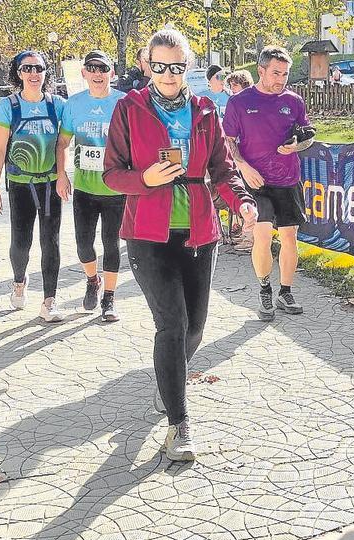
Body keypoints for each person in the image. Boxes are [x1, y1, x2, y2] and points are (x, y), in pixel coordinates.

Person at [103, 29, 258, 461]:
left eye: (176, 66)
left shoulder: (205, 110)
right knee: (171, 325)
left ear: (187, 66)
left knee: (194, 327)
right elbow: (111, 174)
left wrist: (242, 202)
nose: (169, 74)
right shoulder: (128, 109)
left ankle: (169, 378)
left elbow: (223, 170)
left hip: (199, 233)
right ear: (146, 65)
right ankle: (178, 423)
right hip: (148, 234)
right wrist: (145, 179)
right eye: (159, 66)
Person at [223, 46, 315, 321]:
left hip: (288, 179)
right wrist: (243, 166)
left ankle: (285, 291)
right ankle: (264, 288)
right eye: (275, 73)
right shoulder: (239, 102)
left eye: (285, 74)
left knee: (290, 237)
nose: (281, 79)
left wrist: (298, 145)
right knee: (262, 234)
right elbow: (228, 142)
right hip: (256, 180)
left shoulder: (294, 101)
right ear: (260, 71)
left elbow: (307, 134)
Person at [0, 50, 67, 322]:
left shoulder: (58, 105)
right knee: (21, 243)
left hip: (50, 183)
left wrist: (65, 174)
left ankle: (49, 301)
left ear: (46, 72)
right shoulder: (9, 105)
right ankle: (19, 280)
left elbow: (66, 142)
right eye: (27, 69)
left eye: (38, 68)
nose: (33, 74)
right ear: (18, 73)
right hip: (20, 183)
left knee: (51, 242)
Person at [57, 50, 128, 321]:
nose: (98, 74)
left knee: (111, 244)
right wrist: (61, 174)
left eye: (103, 68)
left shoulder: (124, 102)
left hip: (115, 189)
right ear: (84, 73)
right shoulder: (73, 104)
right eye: (92, 68)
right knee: (83, 245)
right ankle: (92, 280)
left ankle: (109, 299)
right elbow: (62, 143)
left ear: (111, 73)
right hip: (85, 189)